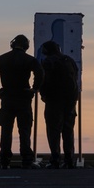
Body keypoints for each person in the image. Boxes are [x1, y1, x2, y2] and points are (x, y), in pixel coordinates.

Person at [0, 35, 43, 169]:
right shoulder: (29, 60)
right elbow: (40, 73)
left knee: (6, 130)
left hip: (7, 97)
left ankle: (5, 159)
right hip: (24, 97)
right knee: (25, 129)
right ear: (26, 46)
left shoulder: (3, 58)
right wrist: (34, 89)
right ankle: (26, 159)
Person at [39, 40, 79, 169]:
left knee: (53, 130)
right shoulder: (69, 60)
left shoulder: (48, 62)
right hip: (70, 101)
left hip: (53, 100)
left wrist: (43, 95)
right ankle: (69, 159)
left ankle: (55, 159)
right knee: (68, 130)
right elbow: (76, 78)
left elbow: (43, 81)